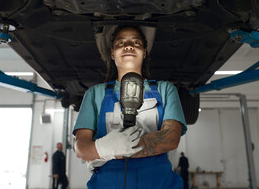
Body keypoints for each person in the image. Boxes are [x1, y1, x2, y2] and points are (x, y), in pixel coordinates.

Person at [72, 25, 188, 188]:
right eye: (120, 43)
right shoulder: (95, 93)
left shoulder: (165, 89)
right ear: (112, 53)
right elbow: (81, 148)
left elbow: (170, 138)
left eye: (136, 42)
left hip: (159, 182)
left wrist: (107, 151)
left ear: (145, 52)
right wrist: (104, 147)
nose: (128, 46)